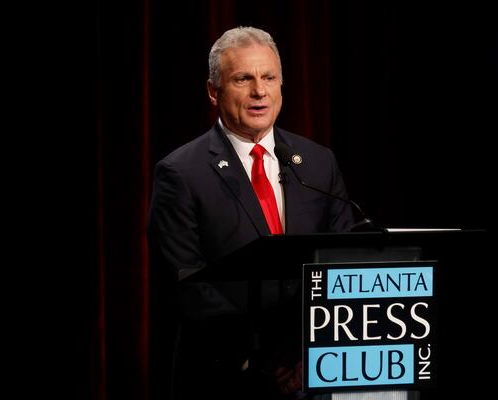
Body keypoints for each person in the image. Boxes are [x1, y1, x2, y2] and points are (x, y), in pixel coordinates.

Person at [148, 26, 355, 399]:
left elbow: (344, 263)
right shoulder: (180, 173)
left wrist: (308, 350)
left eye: (269, 78)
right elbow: (187, 286)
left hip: (316, 369)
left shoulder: (318, 163)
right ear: (214, 91)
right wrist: (266, 358)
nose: (260, 91)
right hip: (226, 377)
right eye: (244, 79)